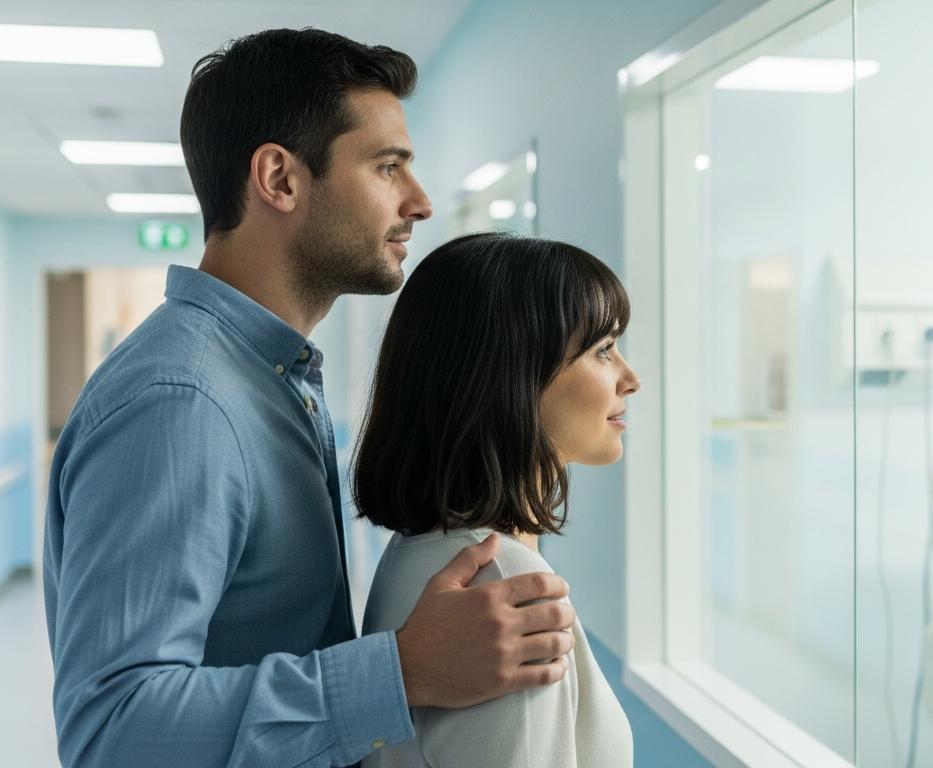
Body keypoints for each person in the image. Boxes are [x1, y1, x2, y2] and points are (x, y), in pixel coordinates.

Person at [43, 29, 575, 767]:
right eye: (388, 167)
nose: (418, 202)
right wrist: (402, 671)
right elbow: (113, 733)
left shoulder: (274, 380)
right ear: (280, 179)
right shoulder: (182, 402)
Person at [355, 233, 641, 767]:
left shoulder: (424, 550)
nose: (631, 379)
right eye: (603, 350)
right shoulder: (499, 588)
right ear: (514, 374)